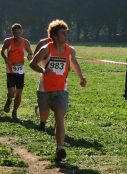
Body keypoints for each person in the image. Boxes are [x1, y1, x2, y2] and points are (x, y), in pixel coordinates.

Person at [29, 20, 86, 162]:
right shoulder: (46, 49)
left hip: (61, 89)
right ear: (54, 36)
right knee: (44, 116)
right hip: (45, 89)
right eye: (62, 33)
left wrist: (81, 77)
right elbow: (32, 63)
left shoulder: (70, 50)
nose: (66, 35)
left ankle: (59, 148)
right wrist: (43, 70)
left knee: (59, 117)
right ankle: (40, 113)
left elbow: (74, 63)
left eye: (66, 32)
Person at [0, 23, 33, 119]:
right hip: (10, 71)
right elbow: (2, 51)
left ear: (22, 32)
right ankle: (9, 100)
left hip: (20, 72)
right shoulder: (8, 42)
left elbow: (30, 53)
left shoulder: (25, 42)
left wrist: (29, 56)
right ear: (12, 33)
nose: (18, 35)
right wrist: (5, 58)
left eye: (19, 33)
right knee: (12, 92)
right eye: (16, 33)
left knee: (19, 93)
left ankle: (14, 112)